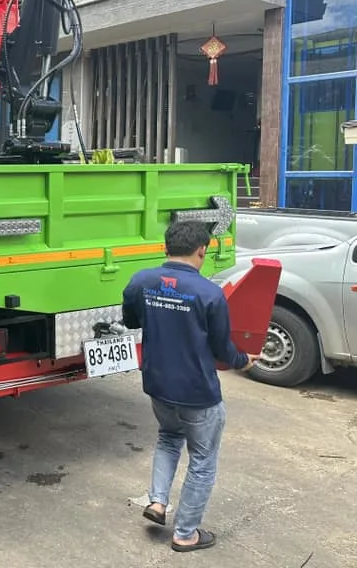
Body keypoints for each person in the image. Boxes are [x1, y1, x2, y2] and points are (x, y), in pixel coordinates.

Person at [121, 221, 258, 553]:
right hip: (197, 393)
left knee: (169, 439)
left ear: (166, 248)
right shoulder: (209, 293)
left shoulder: (141, 281)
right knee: (202, 459)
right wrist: (244, 360)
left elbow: (131, 320)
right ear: (202, 250)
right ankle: (185, 534)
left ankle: (157, 502)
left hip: (157, 385)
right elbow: (223, 349)